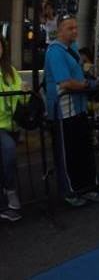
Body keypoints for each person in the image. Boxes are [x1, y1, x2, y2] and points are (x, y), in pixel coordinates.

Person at [44, 14, 99, 206]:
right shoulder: (55, 51)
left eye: (75, 27)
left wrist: (86, 83)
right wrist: (86, 85)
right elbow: (65, 82)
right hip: (63, 111)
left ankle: (88, 187)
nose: (75, 31)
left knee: (83, 150)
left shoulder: (73, 48)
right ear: (60, 30)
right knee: (67, 154)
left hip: (78, 107)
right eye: (70, 28)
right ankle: (70, 192)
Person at [1, 37, 26, 221]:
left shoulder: (10, 71)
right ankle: (10, 191)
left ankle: (7, 193)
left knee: (7, 160)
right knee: (8, 151)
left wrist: (24, 92)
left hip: (12, 125)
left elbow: (21, 96)